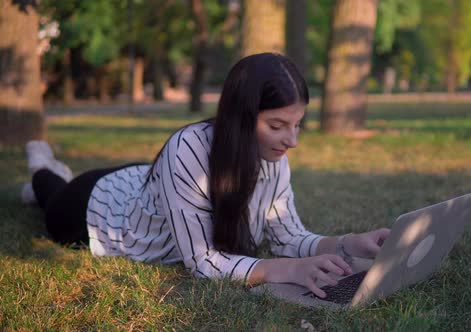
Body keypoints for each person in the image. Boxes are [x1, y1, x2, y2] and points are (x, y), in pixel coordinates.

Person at [22, 53, 390, 298]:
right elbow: (202, 262)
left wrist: (350, 244)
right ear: (242, 117)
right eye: (278, 125)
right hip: (99, 209)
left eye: (297, 124)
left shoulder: (273, 156)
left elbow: (289, 236)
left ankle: (54, 172)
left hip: (145, 183)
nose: (292, 141)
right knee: (49, 194)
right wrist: (290, 270)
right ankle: (41, 162)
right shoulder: (187, 149)